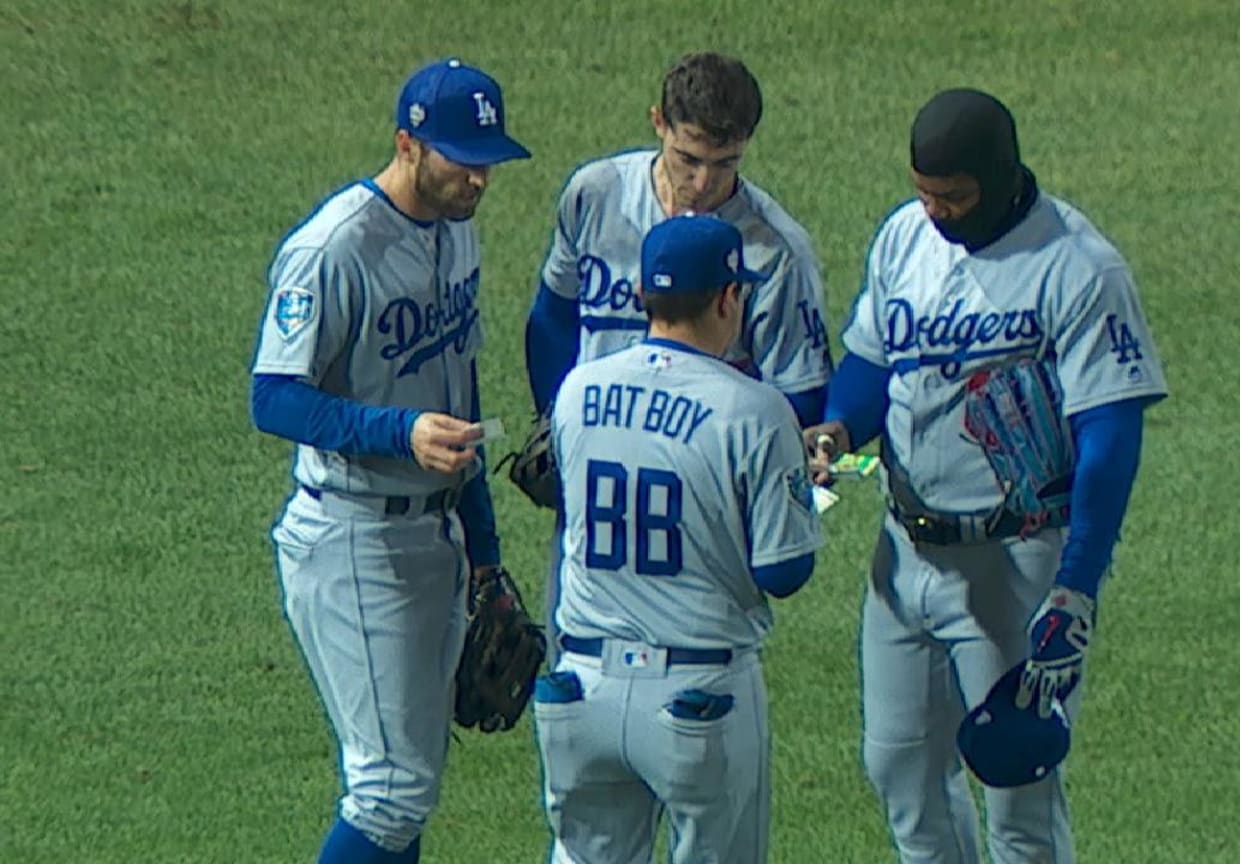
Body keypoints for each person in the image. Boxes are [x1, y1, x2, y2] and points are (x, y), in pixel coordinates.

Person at [803, 88, 1169, 864]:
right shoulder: (904, 237)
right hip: (903, 553)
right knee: (899, 771)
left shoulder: (1076, 266)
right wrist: (838, 426)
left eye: (954, 196)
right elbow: (873, 362)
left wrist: (1077, 585)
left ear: (1001, 177)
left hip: (1018, 562)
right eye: (924, 191)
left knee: (1018, 796)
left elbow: (1109, 433)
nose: (935, 210)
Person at [248, 58, 530, 864]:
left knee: (408, 787)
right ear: (407, 144)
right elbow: (273, 398)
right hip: (353, 536)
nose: (478, 178)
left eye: (486, 160)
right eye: (459, 158)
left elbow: (463, 392)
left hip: (435, 537)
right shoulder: (332, 248)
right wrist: (398, 431)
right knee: (390, 788)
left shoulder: (458, 230)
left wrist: (485, 555)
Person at [521, 51, 833, 658]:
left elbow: (799, 389)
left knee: (699, 653)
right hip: (603, 473)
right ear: (658, 122)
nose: (703, 184)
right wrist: (554, 423)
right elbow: (553, 316)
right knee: (579, 647)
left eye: (725, 165)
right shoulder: (595, 195)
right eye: (689, 160)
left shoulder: (774, 250)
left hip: (702, 486)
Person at [533, 213, 822, 864]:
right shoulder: (755, 409)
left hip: (581, 692)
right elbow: (785, 569)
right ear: (728, 298)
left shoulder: (576, 391)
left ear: (643, 299)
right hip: (698, 697)